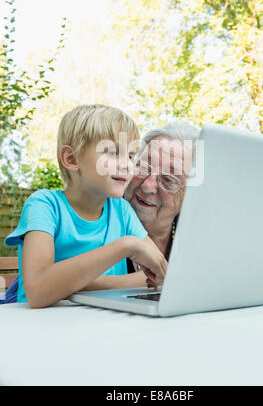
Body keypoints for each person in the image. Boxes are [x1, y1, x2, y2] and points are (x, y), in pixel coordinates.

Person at [2, 104, 167, 308]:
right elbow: (37, 291)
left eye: (132, 156)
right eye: (114, 153)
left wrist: (85, 285)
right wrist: (126, 246)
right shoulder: (44, 205)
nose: (127, 165)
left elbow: (160, 275)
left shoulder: (121, 211)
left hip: (97, 323)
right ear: (71, 159)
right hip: (42, 327)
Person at [125, 121, 199, 269]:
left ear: (192, 195)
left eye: (168, 180)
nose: (147, 186)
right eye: (143, 167)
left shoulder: (198, 240)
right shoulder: (98, 217)